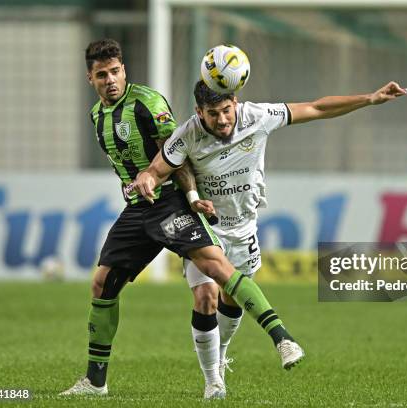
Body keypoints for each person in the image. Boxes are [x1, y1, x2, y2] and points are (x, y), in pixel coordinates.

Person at [60, 39, 304, 399]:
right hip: (139, 210)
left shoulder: (148, 103)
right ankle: (95, 382)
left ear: (124, 70)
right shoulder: (97, 116)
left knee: (216, 272)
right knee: (101, 284)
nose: (110, 79)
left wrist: (190, 196)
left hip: (171, 204)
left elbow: (178, 156)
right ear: (90, 79)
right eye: (101, 74)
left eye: (114, 71)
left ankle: (281, 337)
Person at [132, 79, 407, 397]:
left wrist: (370, 98)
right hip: (205, 227)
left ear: (235, 102)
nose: (221, 120)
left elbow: (316, 107)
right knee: (206, 298)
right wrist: (147, 178)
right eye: (212, 114)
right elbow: (158, 168)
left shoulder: (258, 116)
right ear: (199, 112)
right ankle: (213, 381)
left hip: (244, 227)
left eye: (226, 110)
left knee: (231, 300)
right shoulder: (187, 135)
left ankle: (220, 358)